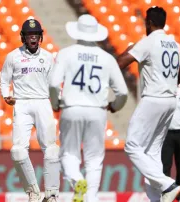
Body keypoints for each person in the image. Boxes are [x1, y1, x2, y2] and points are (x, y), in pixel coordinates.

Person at [49, 14, 128, 202]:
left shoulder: (66, 53)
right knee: (94, 159)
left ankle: (77, 181)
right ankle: (91, 199)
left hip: (71, 107)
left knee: (69, 153)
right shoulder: (107, 58)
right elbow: (123, 92)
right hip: (97, 110)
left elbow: (53, 84)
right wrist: (115, 107)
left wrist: (55, 103)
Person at [116, 6, 180, 202]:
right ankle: (160, 198)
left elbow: (120, 63)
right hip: (171, 100)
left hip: (153, 99)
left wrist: (130, 50)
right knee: (152, 153)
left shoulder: (148, 42)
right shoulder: (174, 44)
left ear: (148, 23)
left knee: (132, 146)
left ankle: (167, 185)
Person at [0, 19, 60, 202]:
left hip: (42, 102)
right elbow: (4, 80)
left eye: (35, 35)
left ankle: (51, 195)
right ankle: (33, 193)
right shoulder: (13, 56)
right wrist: (6, 95)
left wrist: (58, 100)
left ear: (40, 36)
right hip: (22, 104)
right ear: (23, 37)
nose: (32, 38)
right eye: (29, 35)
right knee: (17, 151)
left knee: (51, 150)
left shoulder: (48, 57)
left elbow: (54, 83)